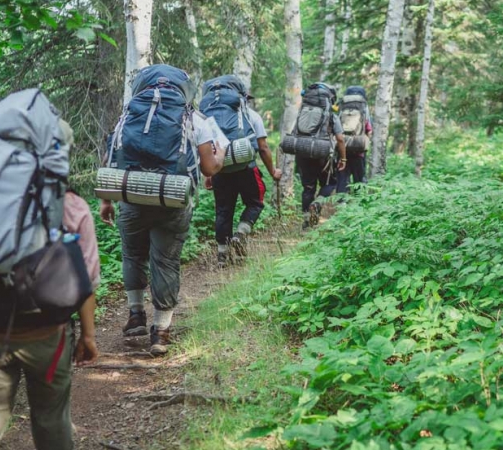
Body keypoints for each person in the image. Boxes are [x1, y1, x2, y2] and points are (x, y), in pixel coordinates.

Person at [0, 120, 100, 450]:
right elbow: (86, 283)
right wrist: (88, 337)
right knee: (52, 422)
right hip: (47, 338)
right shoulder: (72, 206)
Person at [100, 65, 228, 355]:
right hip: (173, 199)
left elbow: (113, 155)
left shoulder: (130, 112)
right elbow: (209, 167)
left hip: (131, 195)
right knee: (166, 261)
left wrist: (106, 200)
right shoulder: (195, 118)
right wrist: (218, 158)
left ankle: (135, 316)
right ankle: (161, 332)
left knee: (133, 254)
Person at [200, 75, 282, 267]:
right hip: (246, 168)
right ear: (241, 96)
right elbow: (262, 147)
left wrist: (209, 173)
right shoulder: (250, 115)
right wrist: (272, 172)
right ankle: (241, 233)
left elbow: (204, 147)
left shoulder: (207, 118)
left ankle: (222, 255)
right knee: (255, 203)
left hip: (220, 169)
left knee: (223, 211)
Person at [297, 82, 348, 229]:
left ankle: (306, 222)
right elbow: (340, 139)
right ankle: (318, 202)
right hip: (323, 154)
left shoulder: (302, 112)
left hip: (303, 152)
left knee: (308, 188)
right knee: (329, 183)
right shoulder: (331, 115)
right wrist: (343, 158)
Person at [336, 85, 372, 195]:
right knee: (359, 180)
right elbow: (369, 130)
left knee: (342, 179)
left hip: (342, 150)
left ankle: (342, 203)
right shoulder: (363, 107)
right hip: (359, 150)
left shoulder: (341, 106)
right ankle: (358, 203)